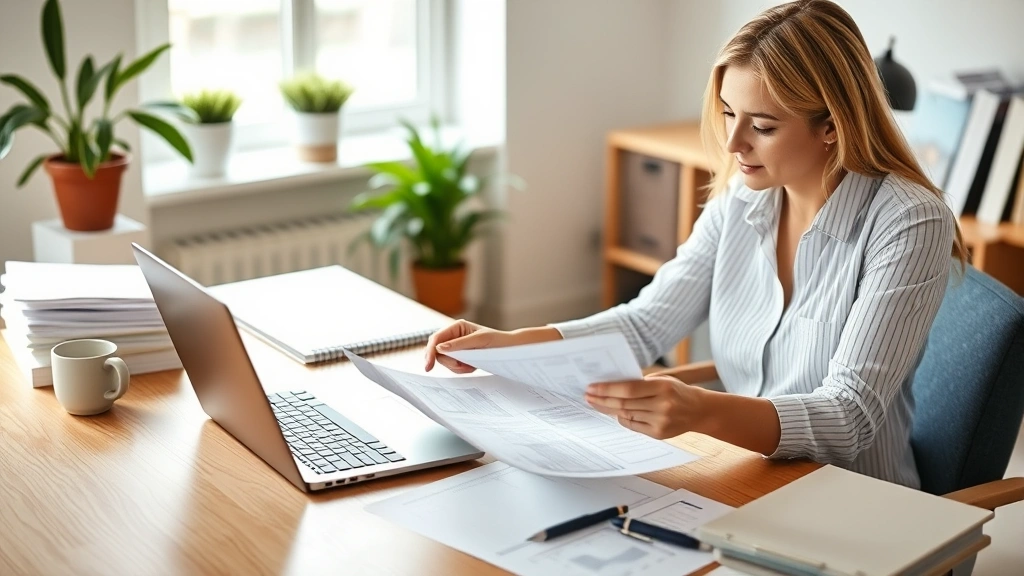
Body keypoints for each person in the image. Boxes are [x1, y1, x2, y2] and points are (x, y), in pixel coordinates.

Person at [423, 0, 966, 489]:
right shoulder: (743, 197)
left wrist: (700, 411)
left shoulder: (908, 221)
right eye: (729, 113)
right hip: (747, 473)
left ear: (832, 125)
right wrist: (509, 344)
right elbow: (644, 324)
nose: (733, 143)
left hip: (852, 501)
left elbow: (848, 417)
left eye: (763, 126)